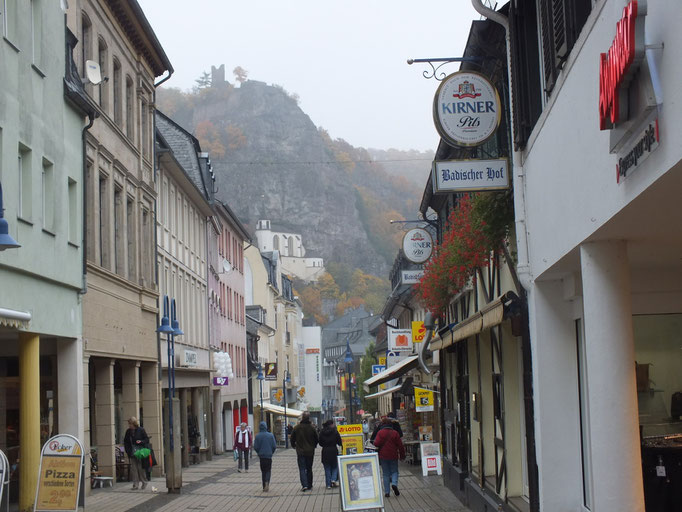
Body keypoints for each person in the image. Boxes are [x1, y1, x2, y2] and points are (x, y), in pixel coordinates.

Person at [373, 416, 405, 498]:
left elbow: (376, 443)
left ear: (382, 424)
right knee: (394, 471)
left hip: (383, 456)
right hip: (393, 455)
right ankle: (394, 483)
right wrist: (402, 455)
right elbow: (400, 446)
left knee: (385, 473)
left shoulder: (380, 432)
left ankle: (387, 492)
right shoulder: (395, 433)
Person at [290, 411, 318, 491]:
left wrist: (294, 446)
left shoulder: (297, 427)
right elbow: (317, 438)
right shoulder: (312, 428)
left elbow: (292, 438)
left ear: (302, 417)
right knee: (309, 468)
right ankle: (309, 484)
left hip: (300, 451)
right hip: (310, 451)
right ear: (308, 418)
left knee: (302, 468)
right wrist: (314, 445)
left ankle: (304, 485)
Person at [123, 417, 149, 490]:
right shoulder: (128, 431)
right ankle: (135, 484)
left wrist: (141, 442)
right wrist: (127, 450)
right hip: (132, 452)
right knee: (134, 469)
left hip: (140, 452)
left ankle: (144, 482)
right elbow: (126, 441)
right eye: (129, 424)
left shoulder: (141, 430)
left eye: (130, 424)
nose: (129, 425)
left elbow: (146, 439)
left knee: (140, 468)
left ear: (134, 423)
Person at [318, 419, 343, 489]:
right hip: (333, 450)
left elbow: (320, 442)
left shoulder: (322, 432)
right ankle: (333, 479)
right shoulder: (335, 431)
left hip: (325, 451)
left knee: (327, 468)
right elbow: (339, 442)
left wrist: (324, 445)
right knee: (335, 466)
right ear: (331, 424)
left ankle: (328, 484)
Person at [253, 421, 276, 492]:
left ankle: (264, 486)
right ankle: (267, 482)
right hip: (268, 456)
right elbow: (274, 446)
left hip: (262, 456)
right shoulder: (271, 435)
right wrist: (271, 452)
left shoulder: (257, 436)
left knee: (263, 471)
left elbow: (255, 447)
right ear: (266, 427)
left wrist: (259, 452)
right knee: (268, 470)